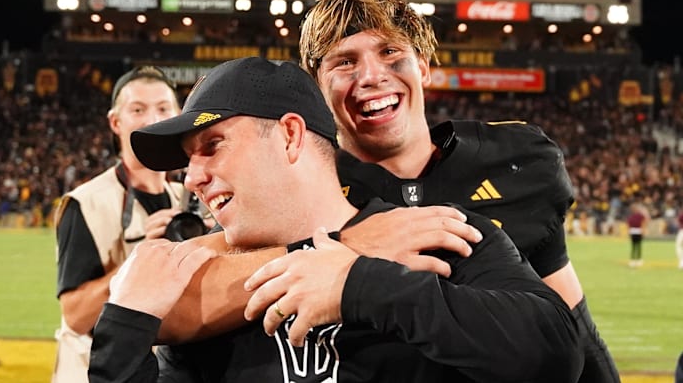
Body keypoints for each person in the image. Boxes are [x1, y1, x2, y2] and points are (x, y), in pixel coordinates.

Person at [89, 56, 582, 383]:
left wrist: (359, 285)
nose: (192, 177)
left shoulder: (437, 235)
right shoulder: (204, 284)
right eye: (189, 159)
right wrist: (125, 328)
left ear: (289, 136)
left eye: (212, 146)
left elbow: (557, 355)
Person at [296, 0, 618, 383]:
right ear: (316, 85)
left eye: (390, 52)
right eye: (344, 62)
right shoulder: (297, 184)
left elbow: (570, 321)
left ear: (424, 66)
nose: (371, 76)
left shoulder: (519, 165)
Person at [52, 66, 187, 383]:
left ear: (178, 115)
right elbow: (74, 316)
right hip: (96, 372)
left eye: (163, 108)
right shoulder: (86, 203)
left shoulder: (191, 198)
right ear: (116, 122)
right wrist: (137, 262)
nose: (152, 119)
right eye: (138, 109)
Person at [626, 203, 649, 268]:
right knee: (636, 246)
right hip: (636, 231)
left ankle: (635, 260)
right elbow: (644, 223)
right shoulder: (637, 216)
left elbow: (628, 225)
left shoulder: (633, 216)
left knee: (635, 246)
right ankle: (636, 260)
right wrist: (643, 230)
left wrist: (643, 230)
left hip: (635, 231)